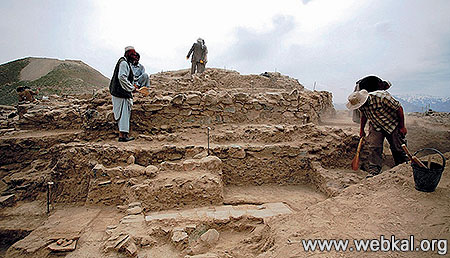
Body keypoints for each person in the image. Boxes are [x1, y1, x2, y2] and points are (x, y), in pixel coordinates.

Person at [346, 88, 408, 176]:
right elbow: (363, 116)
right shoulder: (361, 106)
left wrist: (402, 127)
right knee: (374, 147)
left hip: (392, 124)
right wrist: (361, 130)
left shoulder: (382, 97)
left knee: (397, 146)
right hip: (375, 125)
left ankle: (402, 166)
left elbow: (399, 109)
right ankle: (374, 169)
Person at [109, 46, 139, 142]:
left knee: (124, 114)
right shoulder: (123, 63)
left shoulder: (126, 63)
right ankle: (122, 136)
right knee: (123, 114)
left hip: (122, 93)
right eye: (133, 55)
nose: (135, 57)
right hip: (120, 93)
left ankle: (124, 135)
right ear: (129, 54)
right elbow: (121, 77)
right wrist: (131, 88)